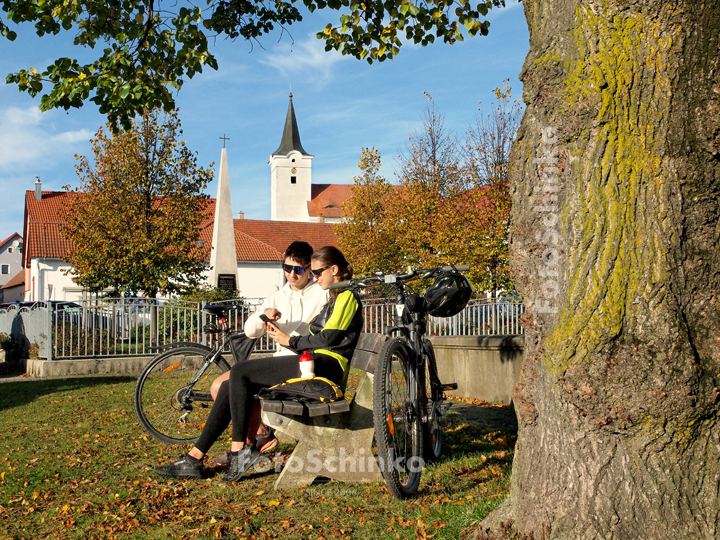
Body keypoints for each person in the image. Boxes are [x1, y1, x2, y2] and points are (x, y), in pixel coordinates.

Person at [154, 246, 363, 482]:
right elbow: (323, 337)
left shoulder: (346, 296)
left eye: (316, 272)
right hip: (312, 363)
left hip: (324, 370)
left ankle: (238, 451)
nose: (314, 278)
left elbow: (328, 339)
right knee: (229, 383)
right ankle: (195, 457)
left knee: (240, 372)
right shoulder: (337, 295)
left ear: (333, 270)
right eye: (311, 273)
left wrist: (289, 340)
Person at [209, 241, 329, 460]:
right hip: (278, 362)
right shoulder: (277, 297)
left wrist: (294, 336)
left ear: (309, 269)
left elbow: (325, 335)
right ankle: (260, 434)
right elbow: (249, 331)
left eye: (298, 269)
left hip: (304, 364)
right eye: (287, 268)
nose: (291, 274)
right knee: (219, 386)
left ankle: (248, 445)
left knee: (241, 379)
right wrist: (264, 313)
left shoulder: (321, 294)